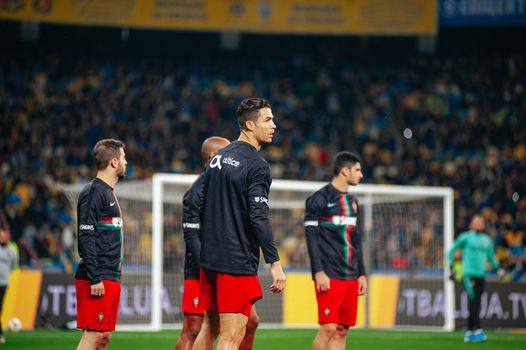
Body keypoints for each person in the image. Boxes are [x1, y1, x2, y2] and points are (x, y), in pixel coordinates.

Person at [192, 98, 286, 350]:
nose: (274, 125)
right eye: (267, 120)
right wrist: (274, 263)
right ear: (249, 125)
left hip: (210, 258)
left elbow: (201, 206)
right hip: (235, 261)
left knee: (209, 329)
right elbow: (258, 216)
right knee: (231, 337)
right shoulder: (257, 166)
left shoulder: (217, 159)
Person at [176, 136, 260, 350]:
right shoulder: (196, 192)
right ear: (214, 157)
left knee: (250, 322)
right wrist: (208, 264)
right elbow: (192, 236)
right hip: (203, 269)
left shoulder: (224, 187)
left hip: (226, 266)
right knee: (195, 328)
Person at [304, 151, 367, 350]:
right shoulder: (319, 199)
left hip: (350, 276)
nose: (361, 174)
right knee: (328, 328)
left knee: (341, 330)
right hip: (329, 275)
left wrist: (362, 274)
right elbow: (311, 239)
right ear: (344, 171)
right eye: (357, 170)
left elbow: (356, 240)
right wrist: (318, 271)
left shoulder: (353, 203)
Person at [75, 139, 127, 350]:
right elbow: (86, 236)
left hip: (110, 276)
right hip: (98, 278)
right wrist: (95, 277)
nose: (126, 162)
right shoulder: (94, 191)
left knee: (103, 336)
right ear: (114, 162)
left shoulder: (106, 192)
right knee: (93, 335)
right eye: (124, 158)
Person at [447, 215, 503, 343]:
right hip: (469, 274)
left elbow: (491, 256)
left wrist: (498, 268)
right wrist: (451, 268)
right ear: (471, 225)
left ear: (483, 225)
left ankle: (468, 332)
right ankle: (477, 330)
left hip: (481, 275)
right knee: (475, 300)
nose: (478, 224)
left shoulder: (487, 240)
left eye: (480, 222)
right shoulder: (465, 237)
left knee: (474, 302)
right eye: (475, 222)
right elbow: (451, 251)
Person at [0, 225, 19, 344]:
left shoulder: (12, 250)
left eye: (4, 235)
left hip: (3, 282)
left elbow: (13, 265)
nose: (2, 237)